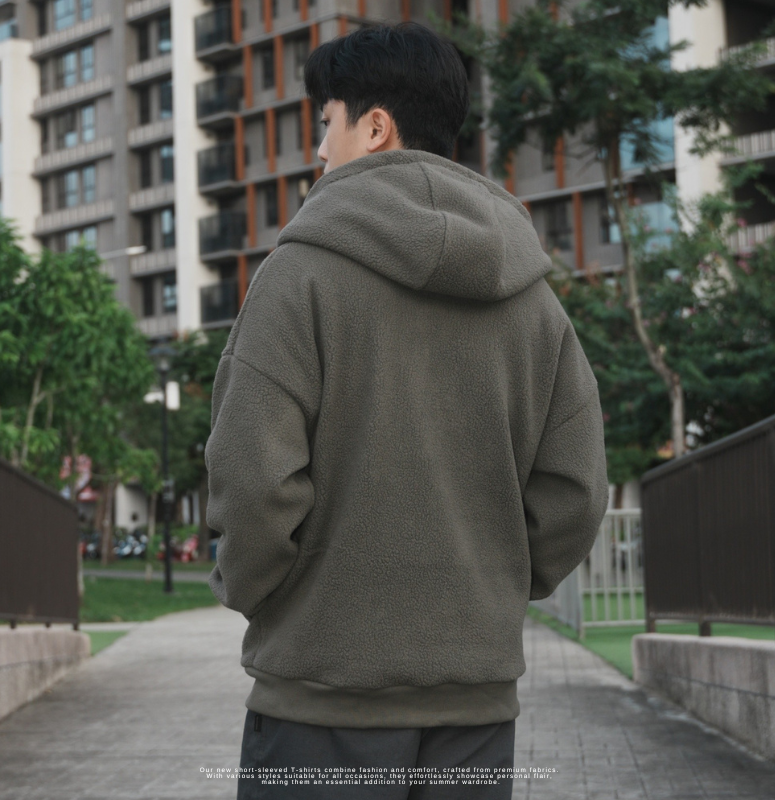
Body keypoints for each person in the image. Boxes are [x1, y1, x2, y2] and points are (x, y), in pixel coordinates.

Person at [205, 21, 609, 800]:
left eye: (327, 122)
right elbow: (577, 486)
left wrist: (255, 591)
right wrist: (489, 586)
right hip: (475, 709)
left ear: (375, 126)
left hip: (322, 699)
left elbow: (254, 479)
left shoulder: (298, 275)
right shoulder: (531, 296)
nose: (318, 149)